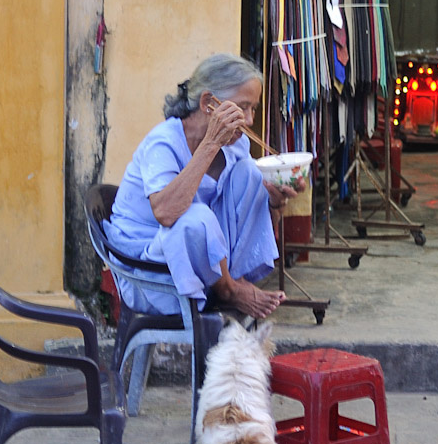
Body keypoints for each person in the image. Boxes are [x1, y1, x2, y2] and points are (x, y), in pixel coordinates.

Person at [104, 53, 303, 319]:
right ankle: (229, 290)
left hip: (199, 267)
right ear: (209, 103)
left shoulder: (236, 145)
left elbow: (246, 216)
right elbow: (166, 213)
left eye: (253, 108)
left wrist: (276, 202)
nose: (249, 119)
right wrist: (210, 144)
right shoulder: (162, 142)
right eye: (242, 107)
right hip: (152, 272)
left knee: (252, 174)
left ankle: (234, 281)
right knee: (194, 216)